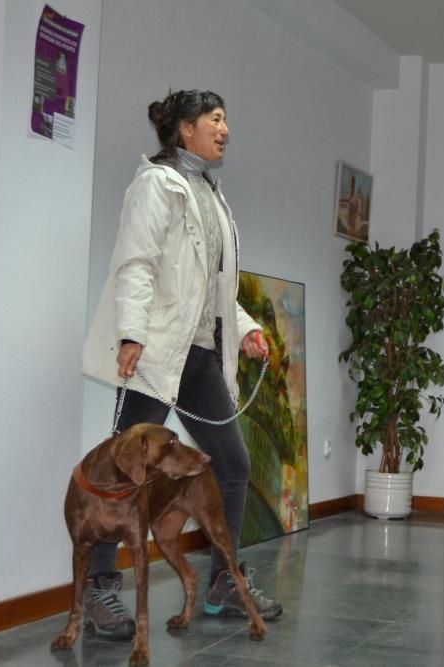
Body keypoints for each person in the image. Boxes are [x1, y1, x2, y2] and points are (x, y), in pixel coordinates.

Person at [81, 89, 283, 640]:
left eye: (225, 119)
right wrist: (131, 334)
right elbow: (136, 264)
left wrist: (244, 330)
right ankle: (100, 590)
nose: (226, 129)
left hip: (197, 357)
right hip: (153, 351)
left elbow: (213, 289)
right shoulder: (155, 184)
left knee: (232, 463)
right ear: (187, 128)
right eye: (217, 119)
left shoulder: (210, 195)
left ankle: (223, 581)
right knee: (123, 472)